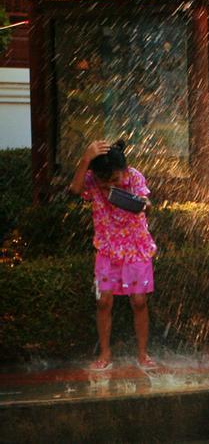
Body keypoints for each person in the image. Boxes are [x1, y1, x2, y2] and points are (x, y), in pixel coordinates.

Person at [68, 139, 158, 372]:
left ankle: (142, 354)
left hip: (136, 248)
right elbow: (75, 190)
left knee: (139, 302)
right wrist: (86, 158)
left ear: (124, 171)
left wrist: (141, 203)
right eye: (103, 183)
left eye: (114, 181)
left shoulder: (134, 177)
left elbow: (148, 204)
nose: (109, 187)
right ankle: (105, 352)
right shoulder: (91, 180)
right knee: (103, 301)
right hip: (107, 250)